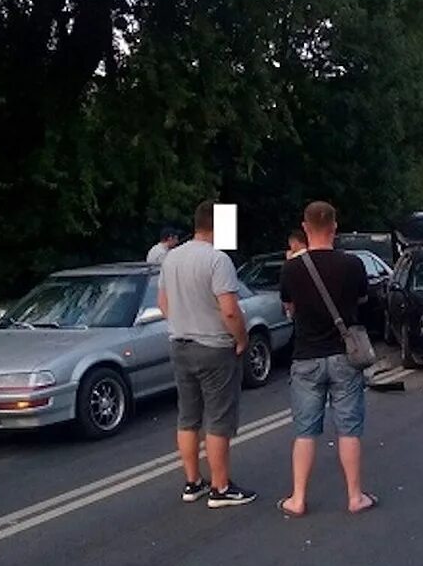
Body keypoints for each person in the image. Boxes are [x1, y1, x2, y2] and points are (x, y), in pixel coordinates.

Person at [277, 200, 378, 517]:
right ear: (335, 227)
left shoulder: (291, 268)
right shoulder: (353, 264)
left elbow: (289, 307)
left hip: (306, 356)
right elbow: (362, 298)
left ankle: (298, 498)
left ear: (305, 228)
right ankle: (354, 496)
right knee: (349, 428)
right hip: (345, 355)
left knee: (305, 430)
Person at [158, 201, 255, 508]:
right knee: (218, 418)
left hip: (180, 344)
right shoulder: (218, 260)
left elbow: (163, 303)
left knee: (188, 417)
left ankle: (192, 482)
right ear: (218, 225)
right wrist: (241, 339)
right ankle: (221, 487)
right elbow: (229, 310)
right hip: (213, 347)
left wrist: (182, 321)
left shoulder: (171, 258)